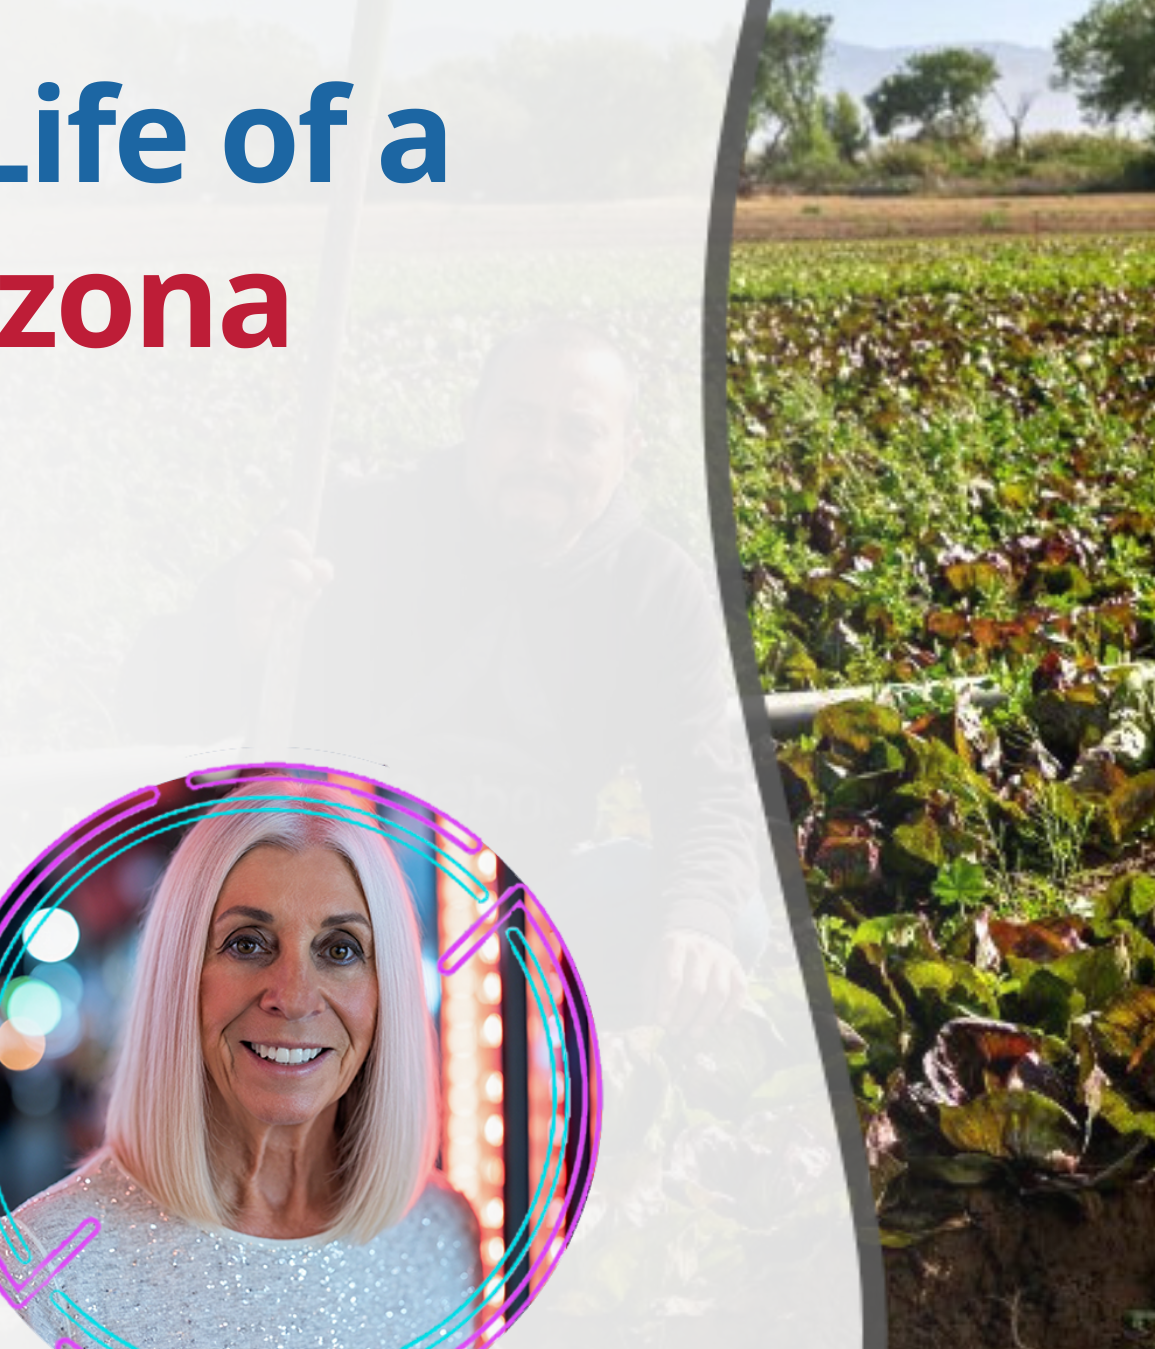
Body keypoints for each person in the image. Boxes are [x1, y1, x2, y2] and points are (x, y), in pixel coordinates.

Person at [119, 322, 765, 1034]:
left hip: (522, 903)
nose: (543, 455)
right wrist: (235, 625)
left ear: (626, 451)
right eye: (518, 419)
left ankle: (505, 1052)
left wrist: (697, 924)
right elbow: (151, 702)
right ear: (473, 424)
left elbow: (706, 790)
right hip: (333, 887)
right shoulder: (353, 529)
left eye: (579, 432)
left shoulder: (652, 588)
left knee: (728, 920)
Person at [0, 799, 483, 1349]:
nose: (295, 997)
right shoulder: (42, 1271)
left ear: (387, 994)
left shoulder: (444, 1235)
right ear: (180, 976)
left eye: (341, 949)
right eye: (248, 944)